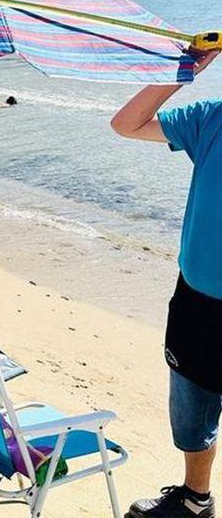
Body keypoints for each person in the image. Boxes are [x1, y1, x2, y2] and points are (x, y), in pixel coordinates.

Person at [112, 47, 222, 518]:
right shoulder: (211, 119)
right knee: (192, 409)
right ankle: (196, 500)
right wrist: (184, 71)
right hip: (198, 298)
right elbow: (127, 124)